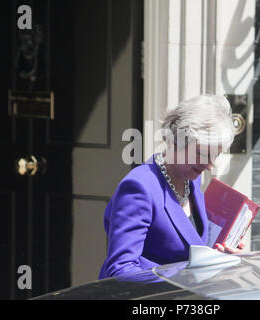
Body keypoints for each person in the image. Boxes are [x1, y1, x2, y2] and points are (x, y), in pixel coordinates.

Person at [99, 94, 239, 279]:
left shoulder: (191, 179)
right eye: (202, 154)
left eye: (216, 155)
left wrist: (220, 255)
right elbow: (120, 270)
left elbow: (191, 246)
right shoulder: (138, 188)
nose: (210, 165)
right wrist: (182, 280)